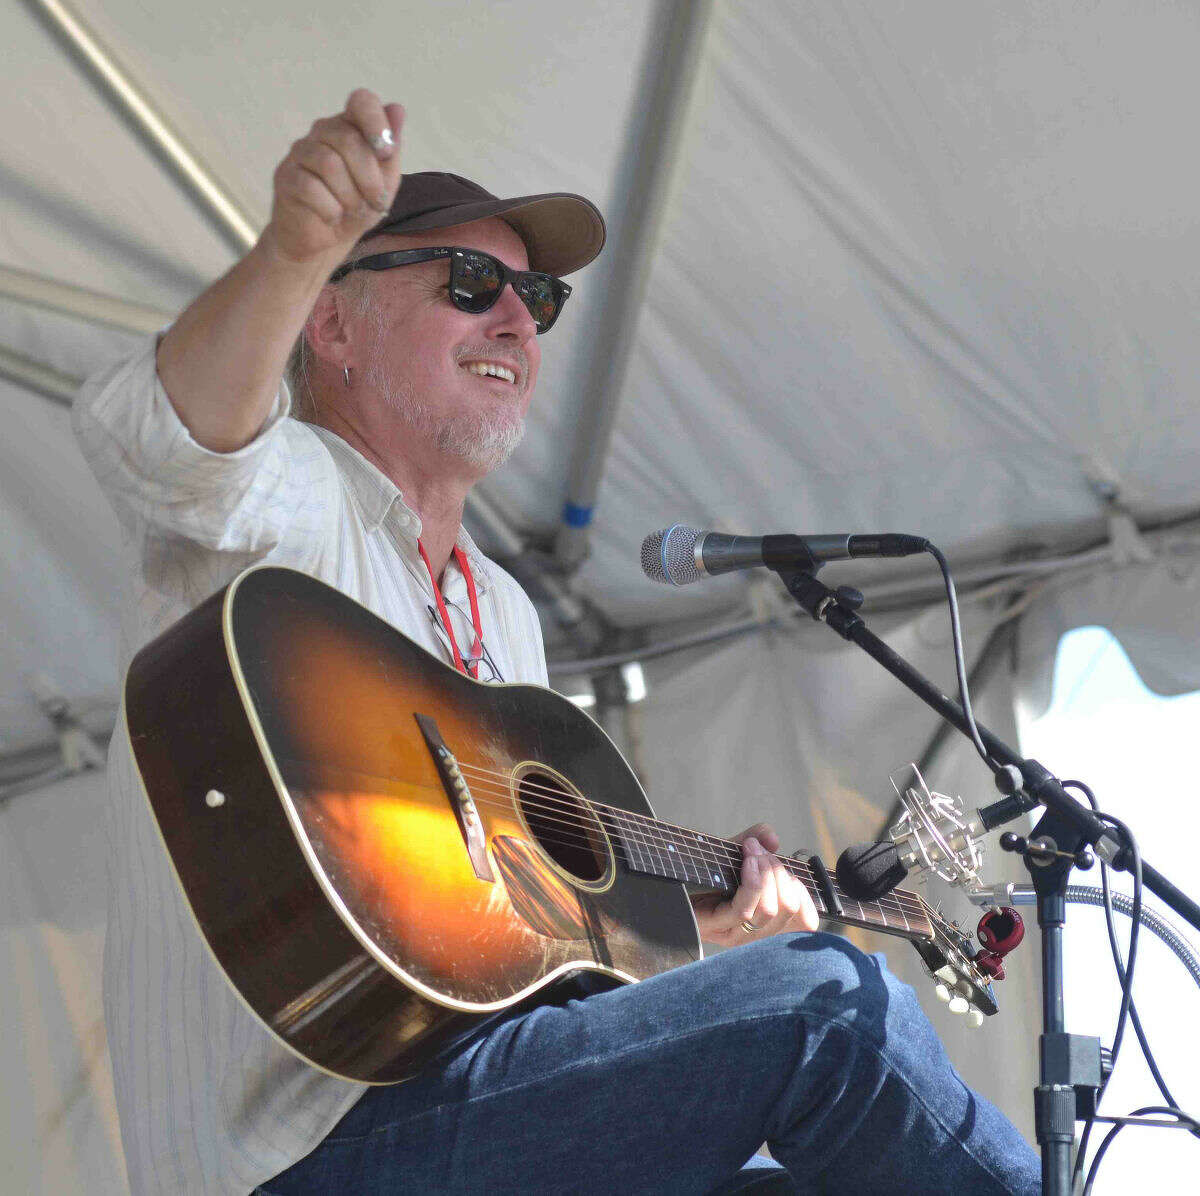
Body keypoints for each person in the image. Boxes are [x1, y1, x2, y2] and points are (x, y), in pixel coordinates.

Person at [75, 89, 1040, 1195]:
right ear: (334, 324)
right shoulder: (288, 498)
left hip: (464, 1114)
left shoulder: (504, 608)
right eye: (471, 285)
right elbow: (154, 442)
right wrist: (294, 252)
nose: (517, 323)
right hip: (301, 1155)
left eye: (537, 298)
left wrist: (690, 938)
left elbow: (493, 947)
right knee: (838, 1005)